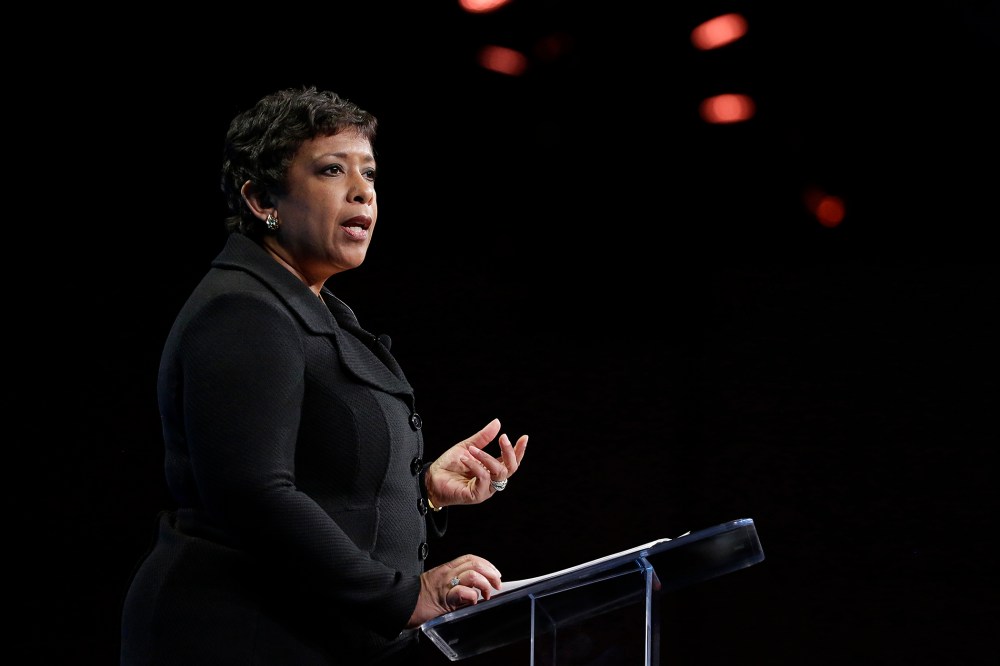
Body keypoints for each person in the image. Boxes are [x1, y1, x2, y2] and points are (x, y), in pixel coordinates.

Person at [120, 86, 529, 665]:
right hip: (240, 637)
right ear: (263, 197)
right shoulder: (243, 310)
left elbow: (319, 478)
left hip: (313, 635)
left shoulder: (310, 307)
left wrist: (423, 493)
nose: (363, 191)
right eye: (333, 170)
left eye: (369, 173)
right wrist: (404, 596)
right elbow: (252, 495)